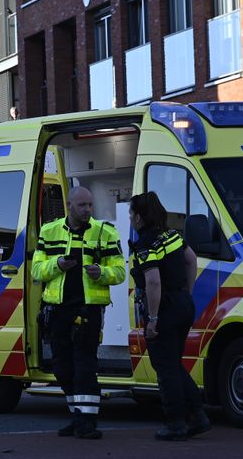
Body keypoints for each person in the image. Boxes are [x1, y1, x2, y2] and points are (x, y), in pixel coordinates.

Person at [31, 186, 124, 439]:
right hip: (57, 309)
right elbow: (36, 271)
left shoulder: (105, 232)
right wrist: (58, 265)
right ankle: (77, 416)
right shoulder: (49, 231)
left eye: (90, 205)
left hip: (88, 310)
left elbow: (119, 271)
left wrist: (101, 273)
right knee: (62, 368)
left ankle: (87, 422)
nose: (88, 210)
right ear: (69, 205)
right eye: (82, 205)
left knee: (85, 366)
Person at [129, 192, 211, 441]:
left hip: (165, 310)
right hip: (183, 304)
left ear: (139, 217)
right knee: (173, 364)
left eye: (132, 213)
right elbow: (191, 260)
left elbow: (153, 282)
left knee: (165, 368)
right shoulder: (172, 235)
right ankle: (198, 415)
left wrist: (153, 319)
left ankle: (176, 423)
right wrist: (187, 292)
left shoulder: (146, 244)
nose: (130, 217)